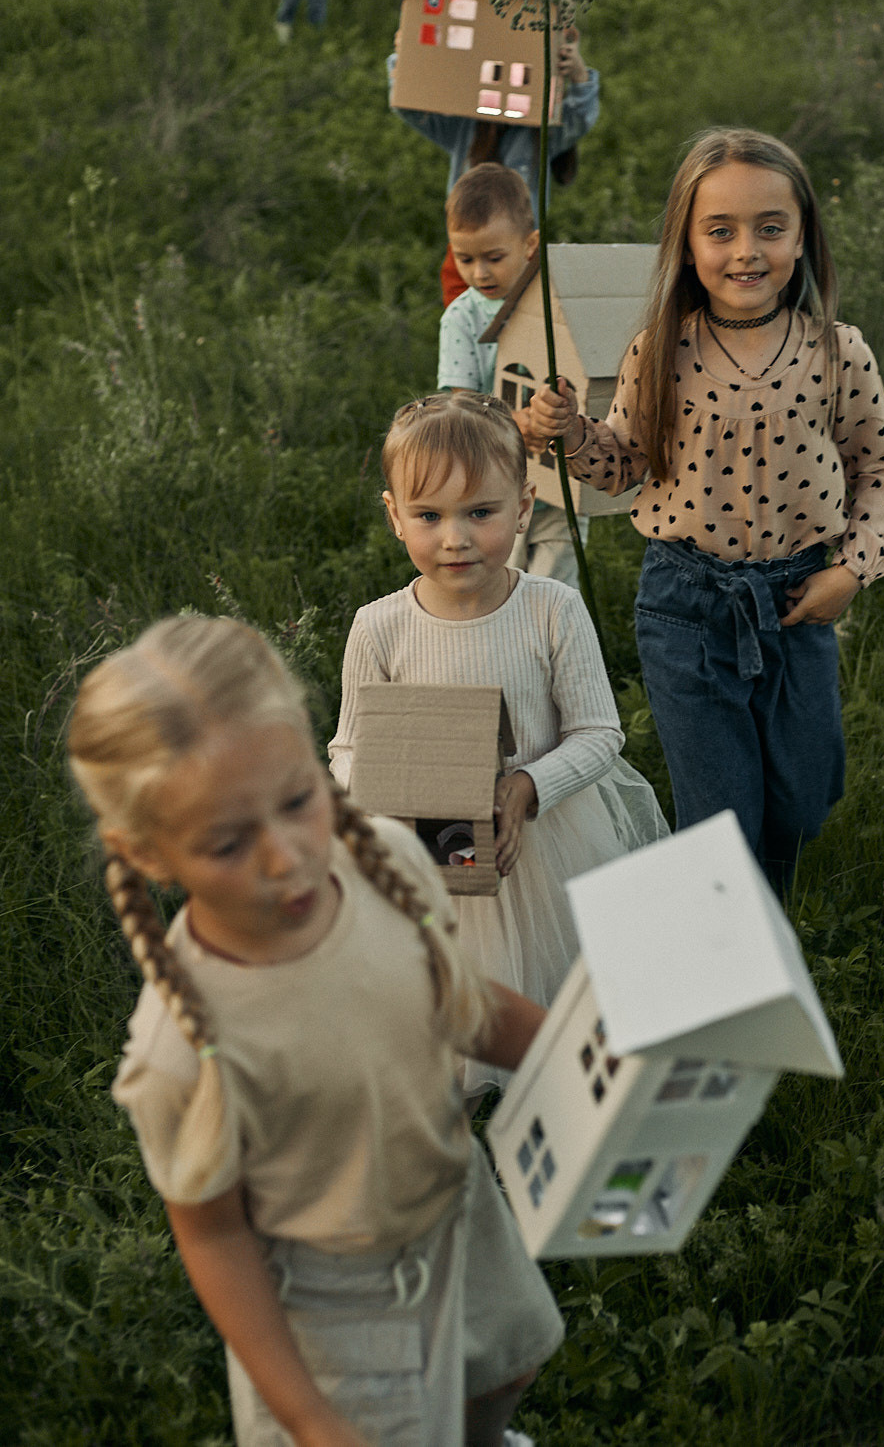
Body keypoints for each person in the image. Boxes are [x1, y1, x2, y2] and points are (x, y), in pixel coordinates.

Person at [69, 615, 562, 1447]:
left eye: (298, 801)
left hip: (456, 1202)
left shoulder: (386, 866)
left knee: (510, 1363)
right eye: (228, 843)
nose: (289, 857)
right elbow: (215, 1235)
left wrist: (594, 1055)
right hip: (340, 1306)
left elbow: (466, 1003)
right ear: (148, 854)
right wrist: (310, 1419)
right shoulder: (181, 1049)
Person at [527, 127, 884, 885]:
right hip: (686, 602)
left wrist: (853, 570)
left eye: (770, 229)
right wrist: (571, 432)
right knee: (720, 813)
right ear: (687, 243)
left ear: (802, 238)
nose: (747, 251)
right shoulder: (660, 350)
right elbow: (624, 466)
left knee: (805, 798)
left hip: (800, 599)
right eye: (721, 231)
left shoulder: (837, 353)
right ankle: (737, 933)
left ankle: (771, 880)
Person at [328, 393, 667, 1097]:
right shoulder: (380, 628)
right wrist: (389, 801)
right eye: (429, 516)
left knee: (565, 990)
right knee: (450, 980)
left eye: (480, 513)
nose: (455, 538)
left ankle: (566, 1072)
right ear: (395, 515)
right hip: (435, 838)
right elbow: (349, 748)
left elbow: (599, 733)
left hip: (545, 835)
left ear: (523, 506)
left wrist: (525, 787)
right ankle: (471, 1070)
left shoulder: (550, 608)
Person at [439, 162, 586, 587]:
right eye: (464, 259)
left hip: (559, 489)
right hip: (495, 494)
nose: (479, 273)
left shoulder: (553, 304)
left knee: (556, 592)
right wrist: (513, 423)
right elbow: (461, 408)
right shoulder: (461, 319)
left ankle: (555, 654)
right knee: (508, 590)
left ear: (529, 245)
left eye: (493, 257)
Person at [387, 26, 600, 305]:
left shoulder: (541, 134)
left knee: (521, 334)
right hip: (467, 251)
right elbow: (409, 104)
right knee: (465, 330)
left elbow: (580, 118)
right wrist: (406, 56)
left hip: (517, 256)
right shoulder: (467, 129)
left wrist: (579, 75)